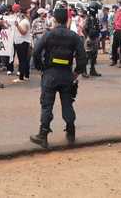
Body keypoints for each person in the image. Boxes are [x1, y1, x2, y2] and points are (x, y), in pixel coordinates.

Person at [30, 8, 86, 148]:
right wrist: (77, 72)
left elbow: (36, 52)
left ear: (54, 20)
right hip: (67, 75)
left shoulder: (49, 35)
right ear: (67, 20)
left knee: (47, 104)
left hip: (50, 74)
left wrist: (40, 67)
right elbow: (82, 57)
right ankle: (71, 132)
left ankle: (43, 135)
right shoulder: (74, 36)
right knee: (67, 103)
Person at [12, 5, 32, 83]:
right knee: (25, 60)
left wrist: (17, 26)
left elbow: (23, 32)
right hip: (22, 42)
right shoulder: (25, 21)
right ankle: (26, 75)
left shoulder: (24, 22)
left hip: (22, 42)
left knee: (22, 60)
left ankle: (21, 77)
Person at [83, 1, 102, 77]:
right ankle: (84, 71)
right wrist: (87, 37)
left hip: (95, 39)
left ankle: (92, 70)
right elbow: (84, 29)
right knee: (87, 56)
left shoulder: (95, 18)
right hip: (89, 39)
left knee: (94, 56)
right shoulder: (88, 18)